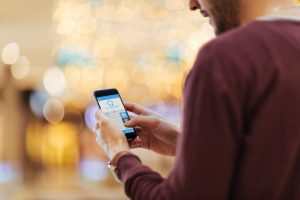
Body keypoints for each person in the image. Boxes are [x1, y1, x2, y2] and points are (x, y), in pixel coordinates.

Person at [93, 0, 300, 199]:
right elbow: (273, 161)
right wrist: (185, 144)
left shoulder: (224, 58)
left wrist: (121, 157)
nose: (192, 4)